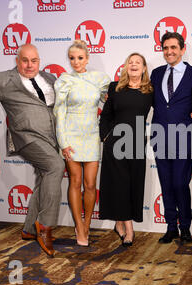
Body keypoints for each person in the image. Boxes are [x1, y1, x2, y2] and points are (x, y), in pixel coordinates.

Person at [0, 44, 65, 257]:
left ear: (39, 61)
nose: (29, 65)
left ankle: (29, 229)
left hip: (53, 137)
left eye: (34, 60)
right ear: (17, 61)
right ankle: (44, 226)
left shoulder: (51, 78)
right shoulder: (2, 80)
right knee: (55, 166)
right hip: (26, 136)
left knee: (45, 177)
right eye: (25, 60)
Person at [151, 32, 192, 244]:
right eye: (165, 48)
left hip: (184, 138)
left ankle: (185, 227)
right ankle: (170, 226)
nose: (169, 52)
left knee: (180, 184)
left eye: (174, 47)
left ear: (182, 49)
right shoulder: (156, 74)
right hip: (159, 137)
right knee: (166, 184)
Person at [53, 40, 111, 246]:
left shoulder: (99, 79)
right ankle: (79, 226)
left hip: (92, 136)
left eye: (79, 58)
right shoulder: (64, 80)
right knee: (75, 182)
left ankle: (87, 224)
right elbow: (59, 114)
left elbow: (109, 100)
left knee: (90, 184)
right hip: (71, 136)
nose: (75, 62)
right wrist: (63, 142)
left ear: (87, 58)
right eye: (72, 58)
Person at [99, 53, 153, 247]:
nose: (134, 65)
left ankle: (119, 223)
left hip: (138, 144)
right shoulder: (115, 88)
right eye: (130, 62)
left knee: (133, 185)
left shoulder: (150, 91)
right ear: (126, 67)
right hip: (116, 144)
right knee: (120, 184)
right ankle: (129, 229)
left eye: (138, 62)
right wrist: (105, 137)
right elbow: (105, 116)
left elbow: (164, 111)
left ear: (144, 68)